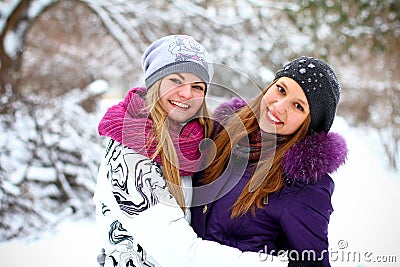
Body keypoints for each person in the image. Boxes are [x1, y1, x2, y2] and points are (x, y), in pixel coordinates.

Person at [96, 56, 347, 267]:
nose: (279, 106)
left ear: (310, 125)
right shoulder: (221, 135)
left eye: (298, 106)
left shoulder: (304, 186)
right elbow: (163, 135)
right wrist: (128, 119)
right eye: (280, 89)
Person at [93, 34, 215, 267]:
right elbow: (182, 254)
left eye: (197, 86)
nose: (187, 94)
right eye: (176, 81)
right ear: (155, 83)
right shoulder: (130, 154)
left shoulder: (196, 145)